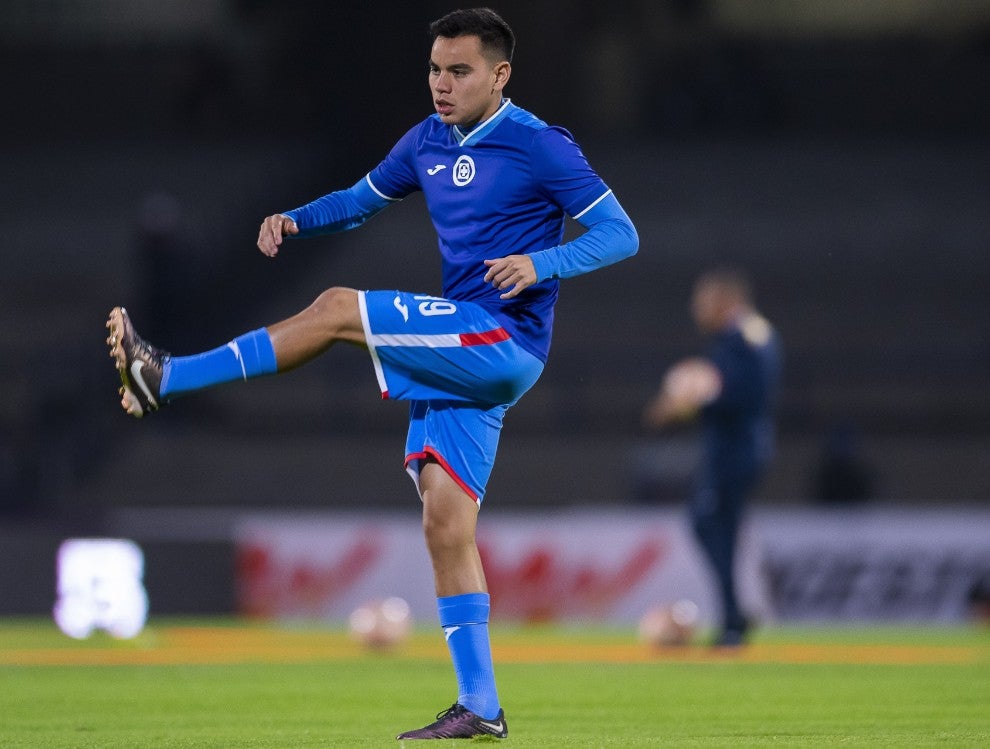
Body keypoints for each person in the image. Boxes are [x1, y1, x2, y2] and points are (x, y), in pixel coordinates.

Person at [105, 8, 637, 741]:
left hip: (502, 338)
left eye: (460, 71)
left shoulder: (540, 145)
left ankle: (167, 375)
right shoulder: (424, 140)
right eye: (434, 69)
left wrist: (542, 262)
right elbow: (359, 202)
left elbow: (620, 232)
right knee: (445, 521)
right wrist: (296, 219)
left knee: (334, 307)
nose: (442, 85)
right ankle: (480, 705)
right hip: (464, 348)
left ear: (499, 74)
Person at [642, 268, 780, 647]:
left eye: (703, 301)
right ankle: (734, 616)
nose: (696, 309)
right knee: (716, 525)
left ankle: (734, 619)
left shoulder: (743, 338)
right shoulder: (743, 336)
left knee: (709, 522)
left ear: (725, 301)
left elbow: (739, 394)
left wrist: (683, 402)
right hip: (738, 447)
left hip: (737, 449)